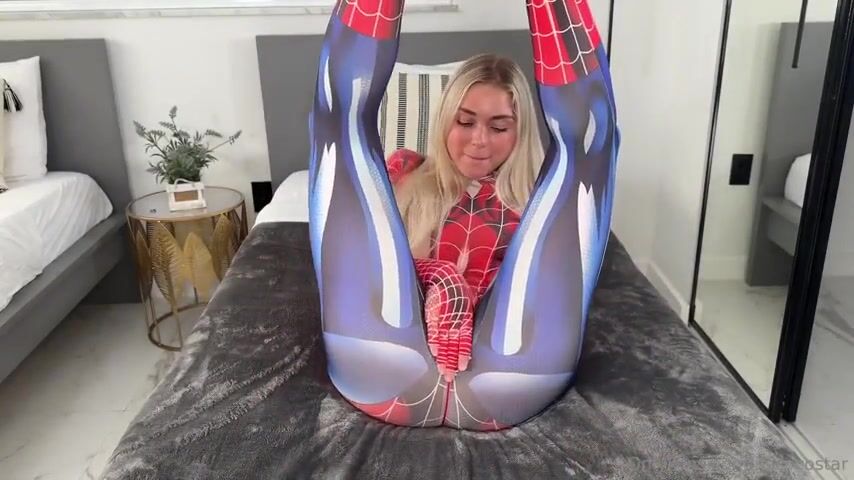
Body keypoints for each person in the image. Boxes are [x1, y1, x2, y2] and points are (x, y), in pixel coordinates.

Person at [384, 53, 545, 379]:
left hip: (497, 372)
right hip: (400, 363)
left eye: (499, 127)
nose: (479, 140)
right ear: (446, 119)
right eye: (465, 122)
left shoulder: (541, 202)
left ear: (520, 132)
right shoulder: (404, 174)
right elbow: (365, 267)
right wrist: (440, 277)